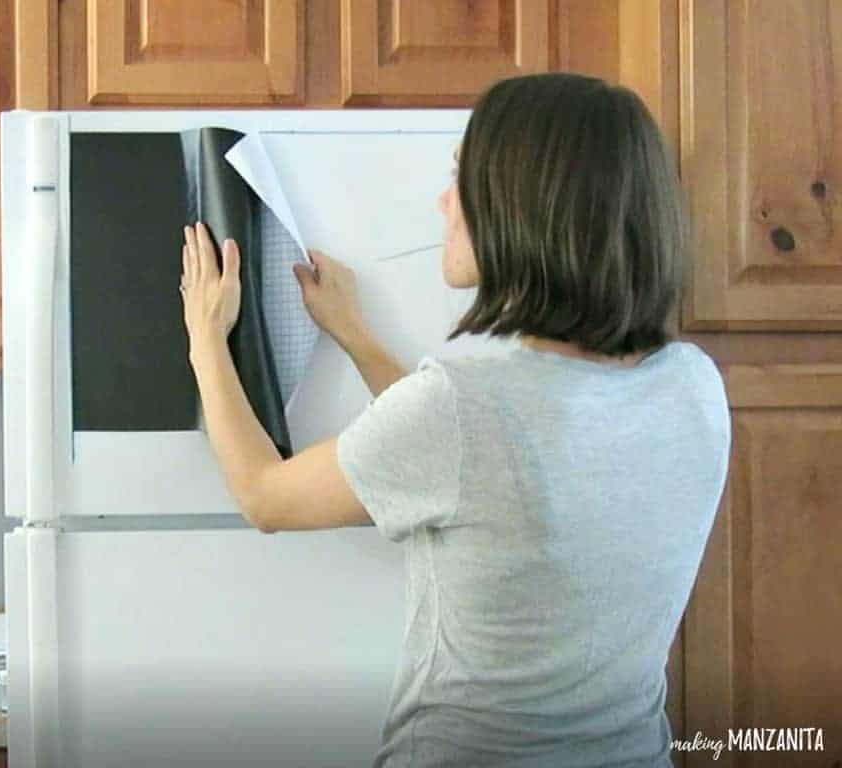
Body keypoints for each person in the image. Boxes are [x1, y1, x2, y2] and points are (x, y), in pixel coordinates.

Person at [178, 72, 730, 768]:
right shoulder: (693, 387)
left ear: (519, 208)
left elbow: (266, 494)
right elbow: (479, 467)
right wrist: (356, 336)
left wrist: (205, 338)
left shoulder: (461, 409)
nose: (443, 203)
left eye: (458, 180)